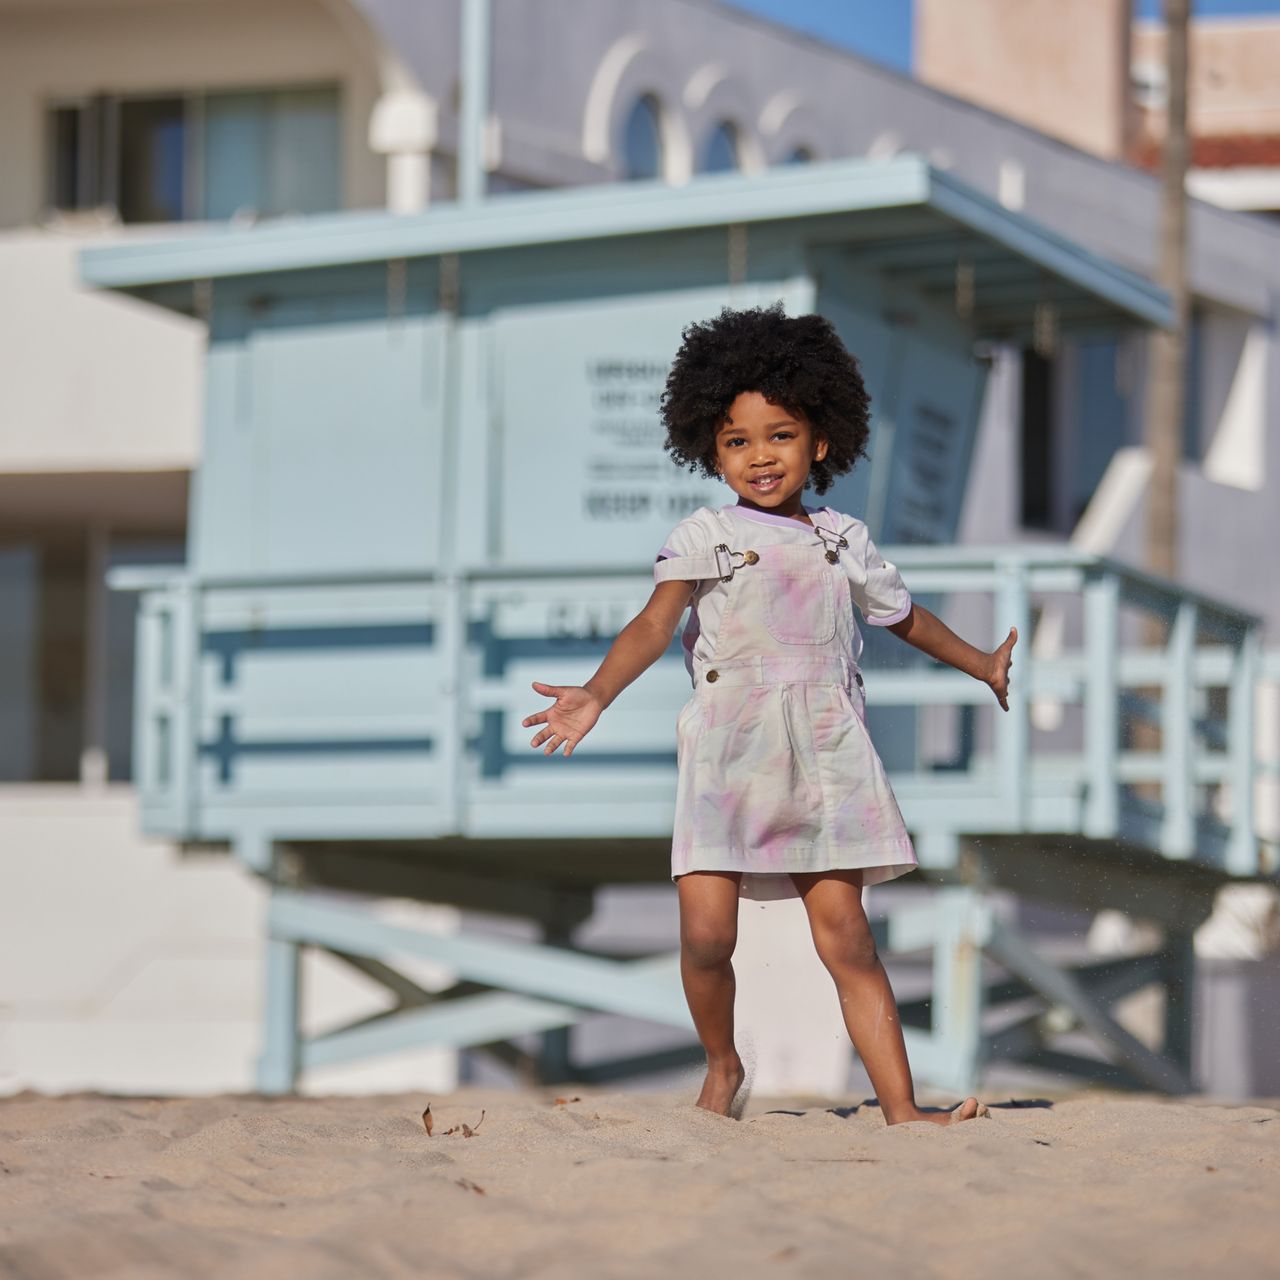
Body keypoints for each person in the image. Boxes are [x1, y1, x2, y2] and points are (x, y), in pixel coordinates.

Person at [522, 304, 1015, 1126]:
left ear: (820, 440)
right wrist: (597, 693)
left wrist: (982, 664)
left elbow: (906, 619)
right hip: (729, 755)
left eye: (780, 435)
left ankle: (901, 1110)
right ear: (710, 449)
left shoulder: (841, 538)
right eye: (737, 441)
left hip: (826, 755)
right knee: (707, 935)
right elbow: (653, 624)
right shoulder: (704, 534)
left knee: (848, 939)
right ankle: (723, 1064)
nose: (760, 457)